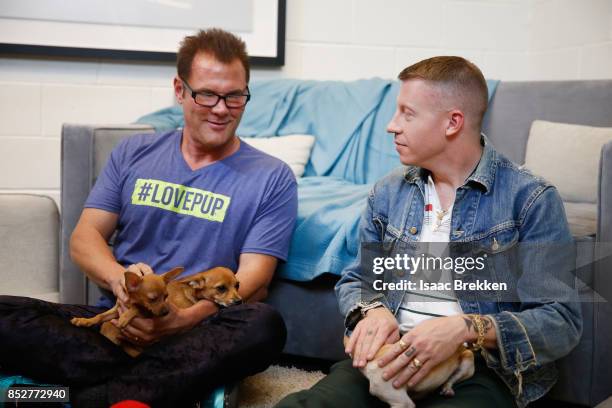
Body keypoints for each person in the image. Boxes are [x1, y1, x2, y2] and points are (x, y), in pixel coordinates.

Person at [0, 28, 297, 407]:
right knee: (7, 313)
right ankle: (157, 391)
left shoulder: (272, 177)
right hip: (119, 324)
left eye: (234, 95)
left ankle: (60, 398)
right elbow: (84, 237)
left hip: (197, 330)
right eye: (207, 93)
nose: (221, 108)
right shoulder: (133, 153)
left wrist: (182, 321)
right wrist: (119, 283)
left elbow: (255, 278)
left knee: (263, 326)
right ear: (179, 90)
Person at [276, 56, 582, 408]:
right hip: (390, 357)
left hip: (476, 368)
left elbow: (561, 321)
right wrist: (372, 311)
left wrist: (465, 328)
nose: (392, 125)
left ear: (453, 122)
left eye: (408, 113)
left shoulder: (530, 199)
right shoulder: (388, 192)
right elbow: (357, 279)